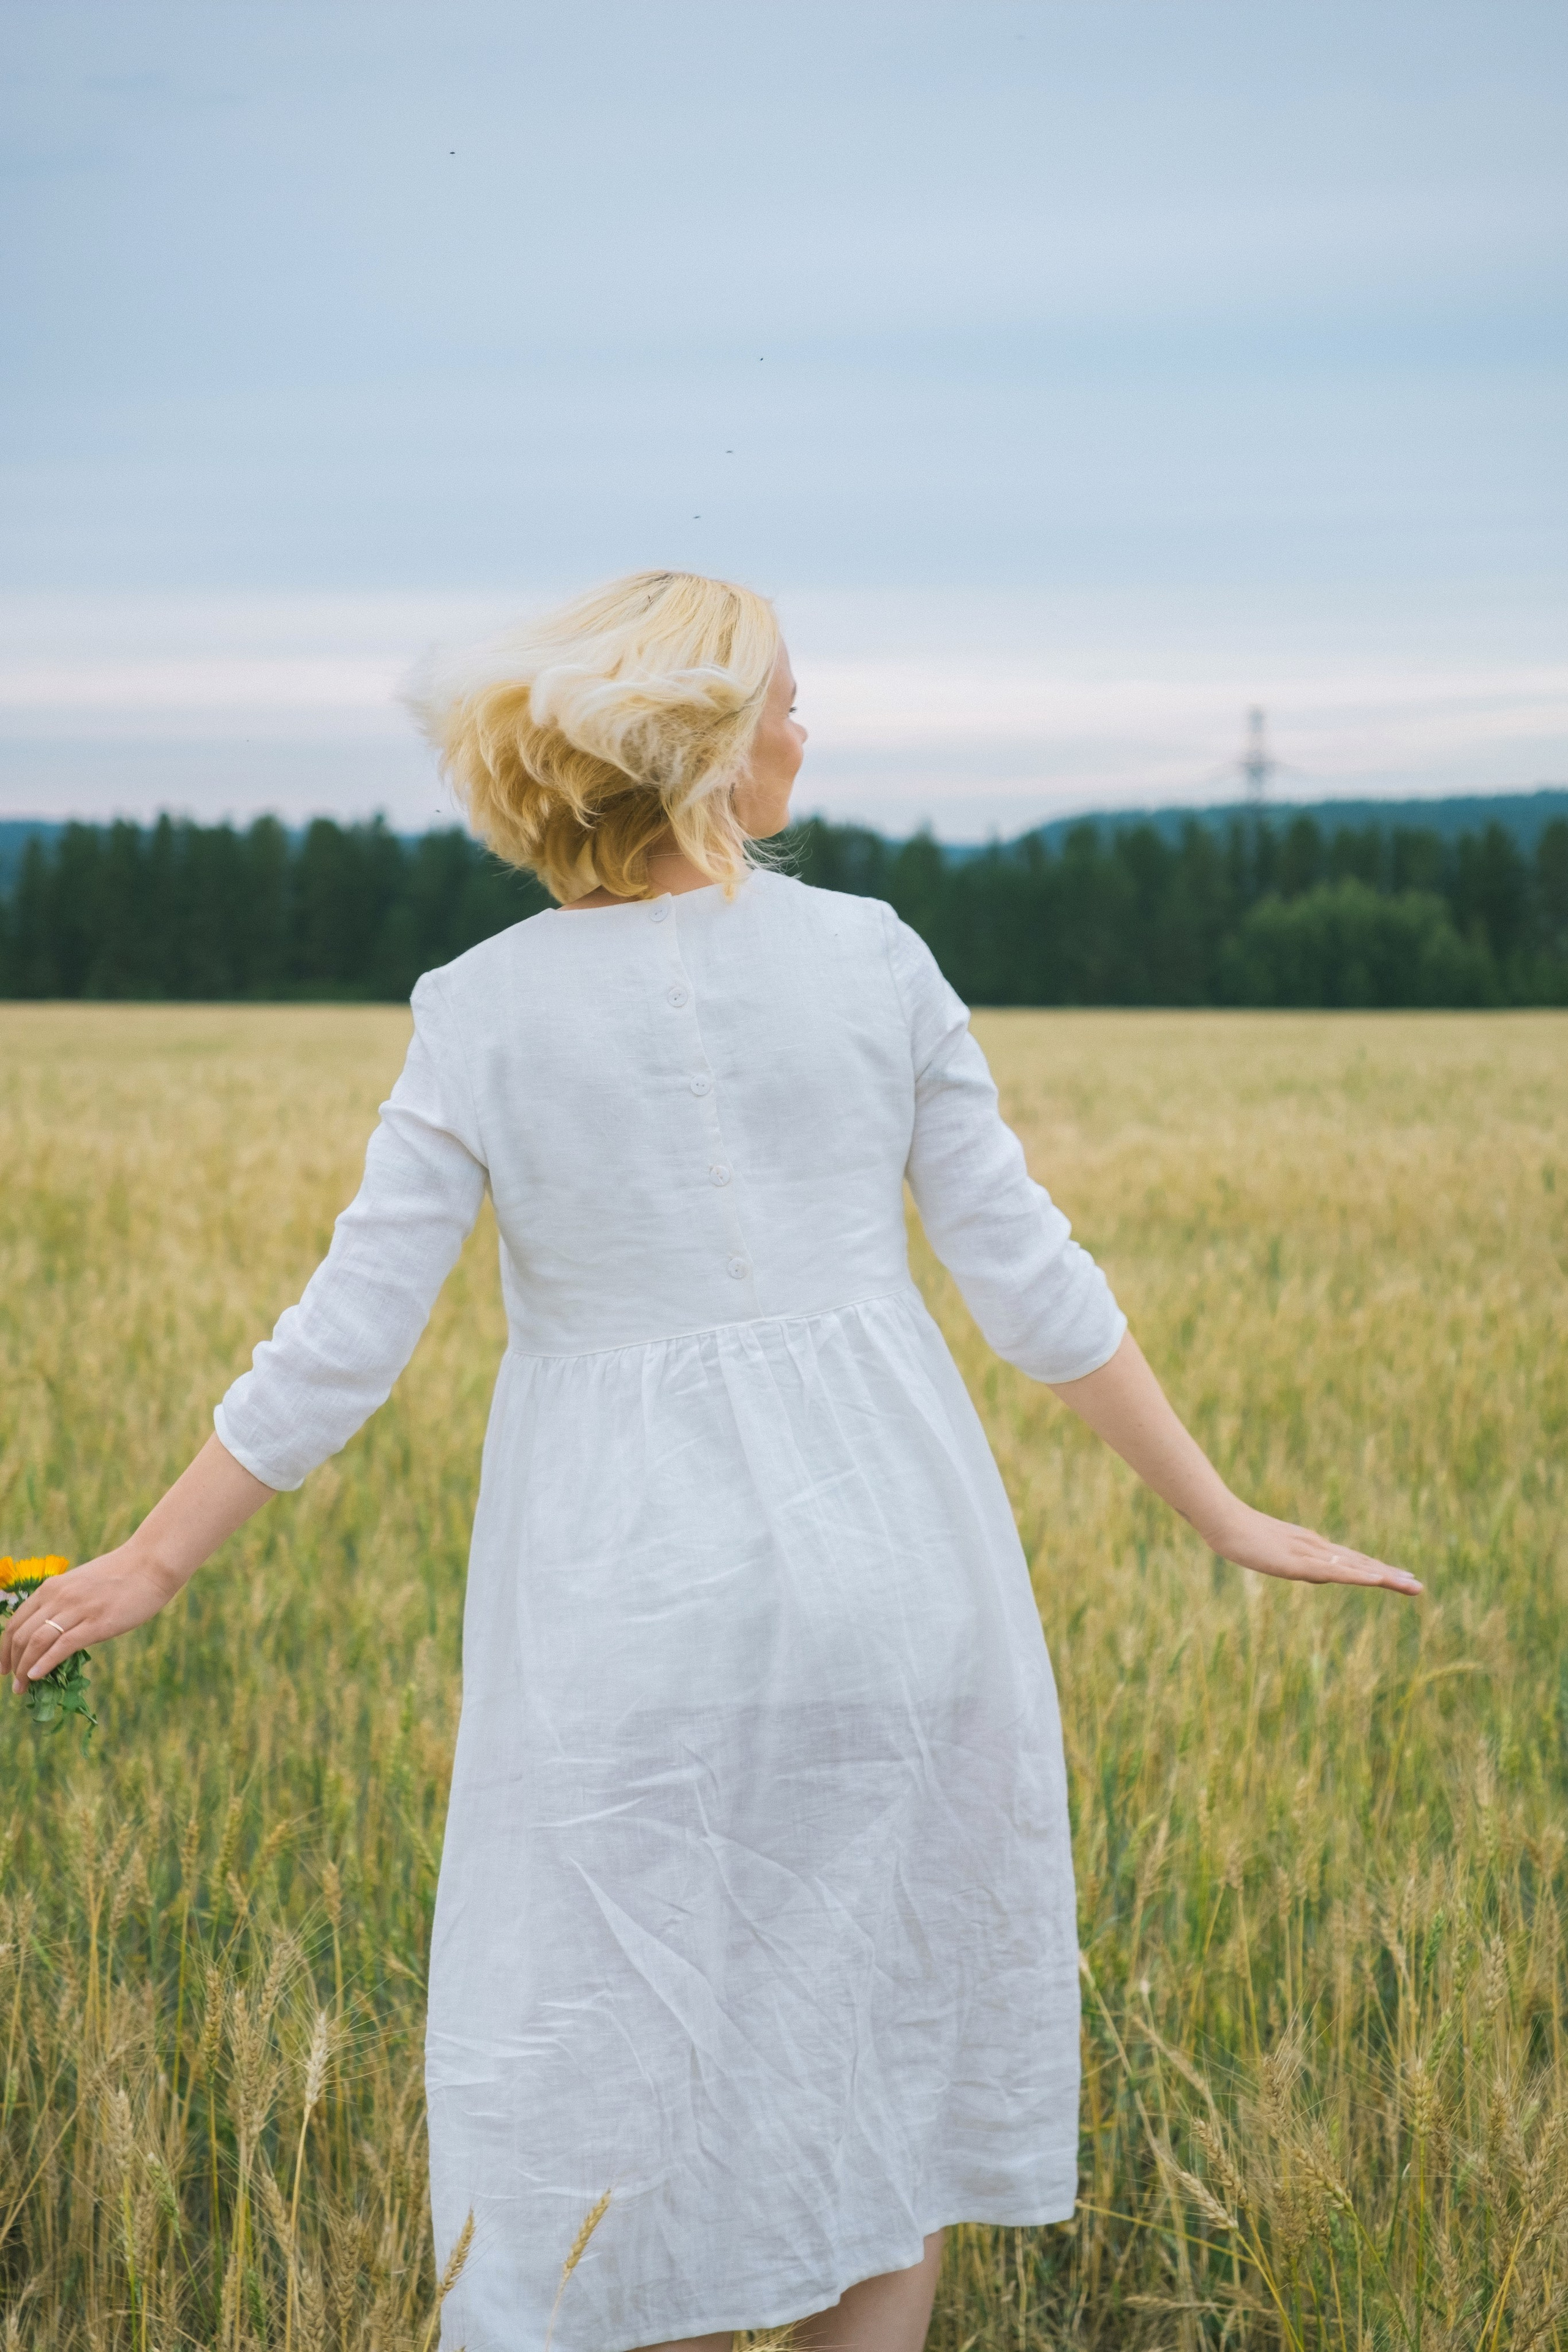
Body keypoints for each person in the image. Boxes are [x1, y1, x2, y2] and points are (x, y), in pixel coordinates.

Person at [2, 570, 1421, 2352]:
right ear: (702, 752)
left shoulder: (481, 1005)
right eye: (783, 706)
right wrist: (1221, 1512)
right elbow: (1032, 1284)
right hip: (900, 1577)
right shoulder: (876, 954)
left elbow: (343, 1337)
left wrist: (153, 1558)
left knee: (625, 2083)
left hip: (628, 1599)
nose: (805, 735)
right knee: (884, 2046)